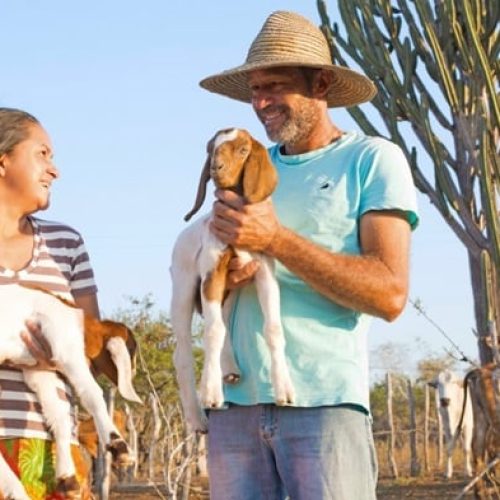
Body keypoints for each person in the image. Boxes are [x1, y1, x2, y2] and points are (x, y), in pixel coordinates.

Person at [199, 11, 419, 500]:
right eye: (254, 89)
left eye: (274, 86)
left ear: (321, 83)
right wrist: (222, 277)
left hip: (324, 406)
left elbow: (389, 293)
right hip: (232, 409)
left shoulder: (370, 160)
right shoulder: (244, 161)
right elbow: (205, 291)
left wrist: (275, 241)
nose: (259, 103)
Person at [0, 108, 99, 499]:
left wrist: (49, 355)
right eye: (42, 154)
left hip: (55, 454)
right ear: (3, 160)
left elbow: (91, 345)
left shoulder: (66, 244)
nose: (53, 170)